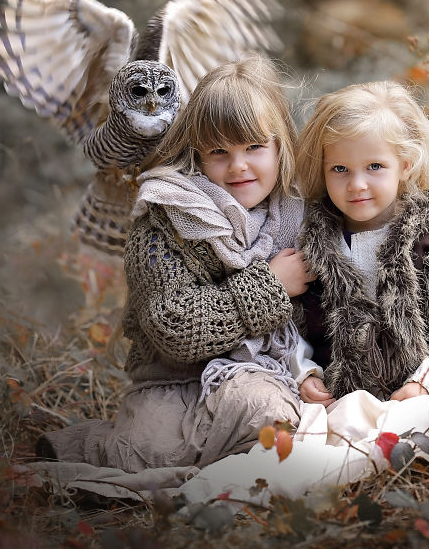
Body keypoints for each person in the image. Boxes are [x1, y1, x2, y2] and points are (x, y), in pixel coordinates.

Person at [37, 55, 313, 470]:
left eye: (254, 147)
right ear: (197, 154)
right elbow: (173, 326)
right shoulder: (168, 217)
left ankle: (216, 466)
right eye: (219, 151)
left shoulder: (297, 215)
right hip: (174, 380)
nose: (238, 165)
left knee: (264, 415)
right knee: (151, 449)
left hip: (262, 372)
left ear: (280, 145)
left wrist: (313, 371)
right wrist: (270, 286)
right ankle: (90, 446)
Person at [291, 81, 429, 407]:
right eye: (340, 169)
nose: (357, 185)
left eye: (375, 167)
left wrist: (428, 384)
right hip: (339, 398)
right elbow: (294, 325)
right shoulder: (314, 245)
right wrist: (305, 372)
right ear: (323, 169)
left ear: (405, 165)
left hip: (417, 392)